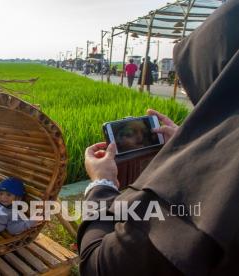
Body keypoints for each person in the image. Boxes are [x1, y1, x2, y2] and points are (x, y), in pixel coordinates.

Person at [77, 1, 239, 275]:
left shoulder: (200, 187)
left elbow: (101, 265)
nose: (189, 93)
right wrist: (196, 142)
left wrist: (101, 185)